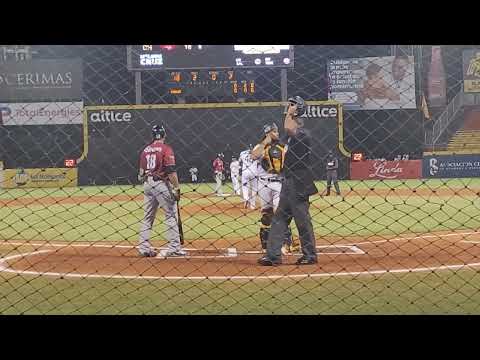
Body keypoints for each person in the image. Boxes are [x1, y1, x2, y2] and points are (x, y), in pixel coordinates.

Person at [258, 96, 318, 266]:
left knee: (302, 220)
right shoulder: (289, 136)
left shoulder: (304, 134)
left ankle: (310, 254)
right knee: (279, 218)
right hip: (288, 180)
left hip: (299, 182)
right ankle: (273, 255)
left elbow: (289, 128)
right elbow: (279, 138)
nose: (288, 108)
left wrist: (290, 113)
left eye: (292, 106)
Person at [137, 124, 185, 258]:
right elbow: (171, 171)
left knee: (147, 217)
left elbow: (140, 175)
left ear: (152, 136)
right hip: (161, 183)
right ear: (164, 135)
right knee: (170, 214)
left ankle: (143, 248)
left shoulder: (145, 150)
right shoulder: (166, 149)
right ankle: (174, 248)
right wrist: (176, 188)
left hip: (147, 184)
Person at [251, 122, 296, 254]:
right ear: (268, 133)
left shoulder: (283, 146)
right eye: (274, 131)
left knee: (279, 213)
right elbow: (254, 155)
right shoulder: (260, 146)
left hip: (278, 183)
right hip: (263, 184)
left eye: (277, 131)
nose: (277, 133)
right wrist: (266, 141)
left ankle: (286, 243)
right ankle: (265, 245)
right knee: (266, 215)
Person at [239, 144, 258, 209]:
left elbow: (240, 162)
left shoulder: (242, 153)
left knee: (245, 187)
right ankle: (252, 205)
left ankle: (246, 199)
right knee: (254, 188)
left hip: (245, 172)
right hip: (254, 172)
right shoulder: (257, 152)